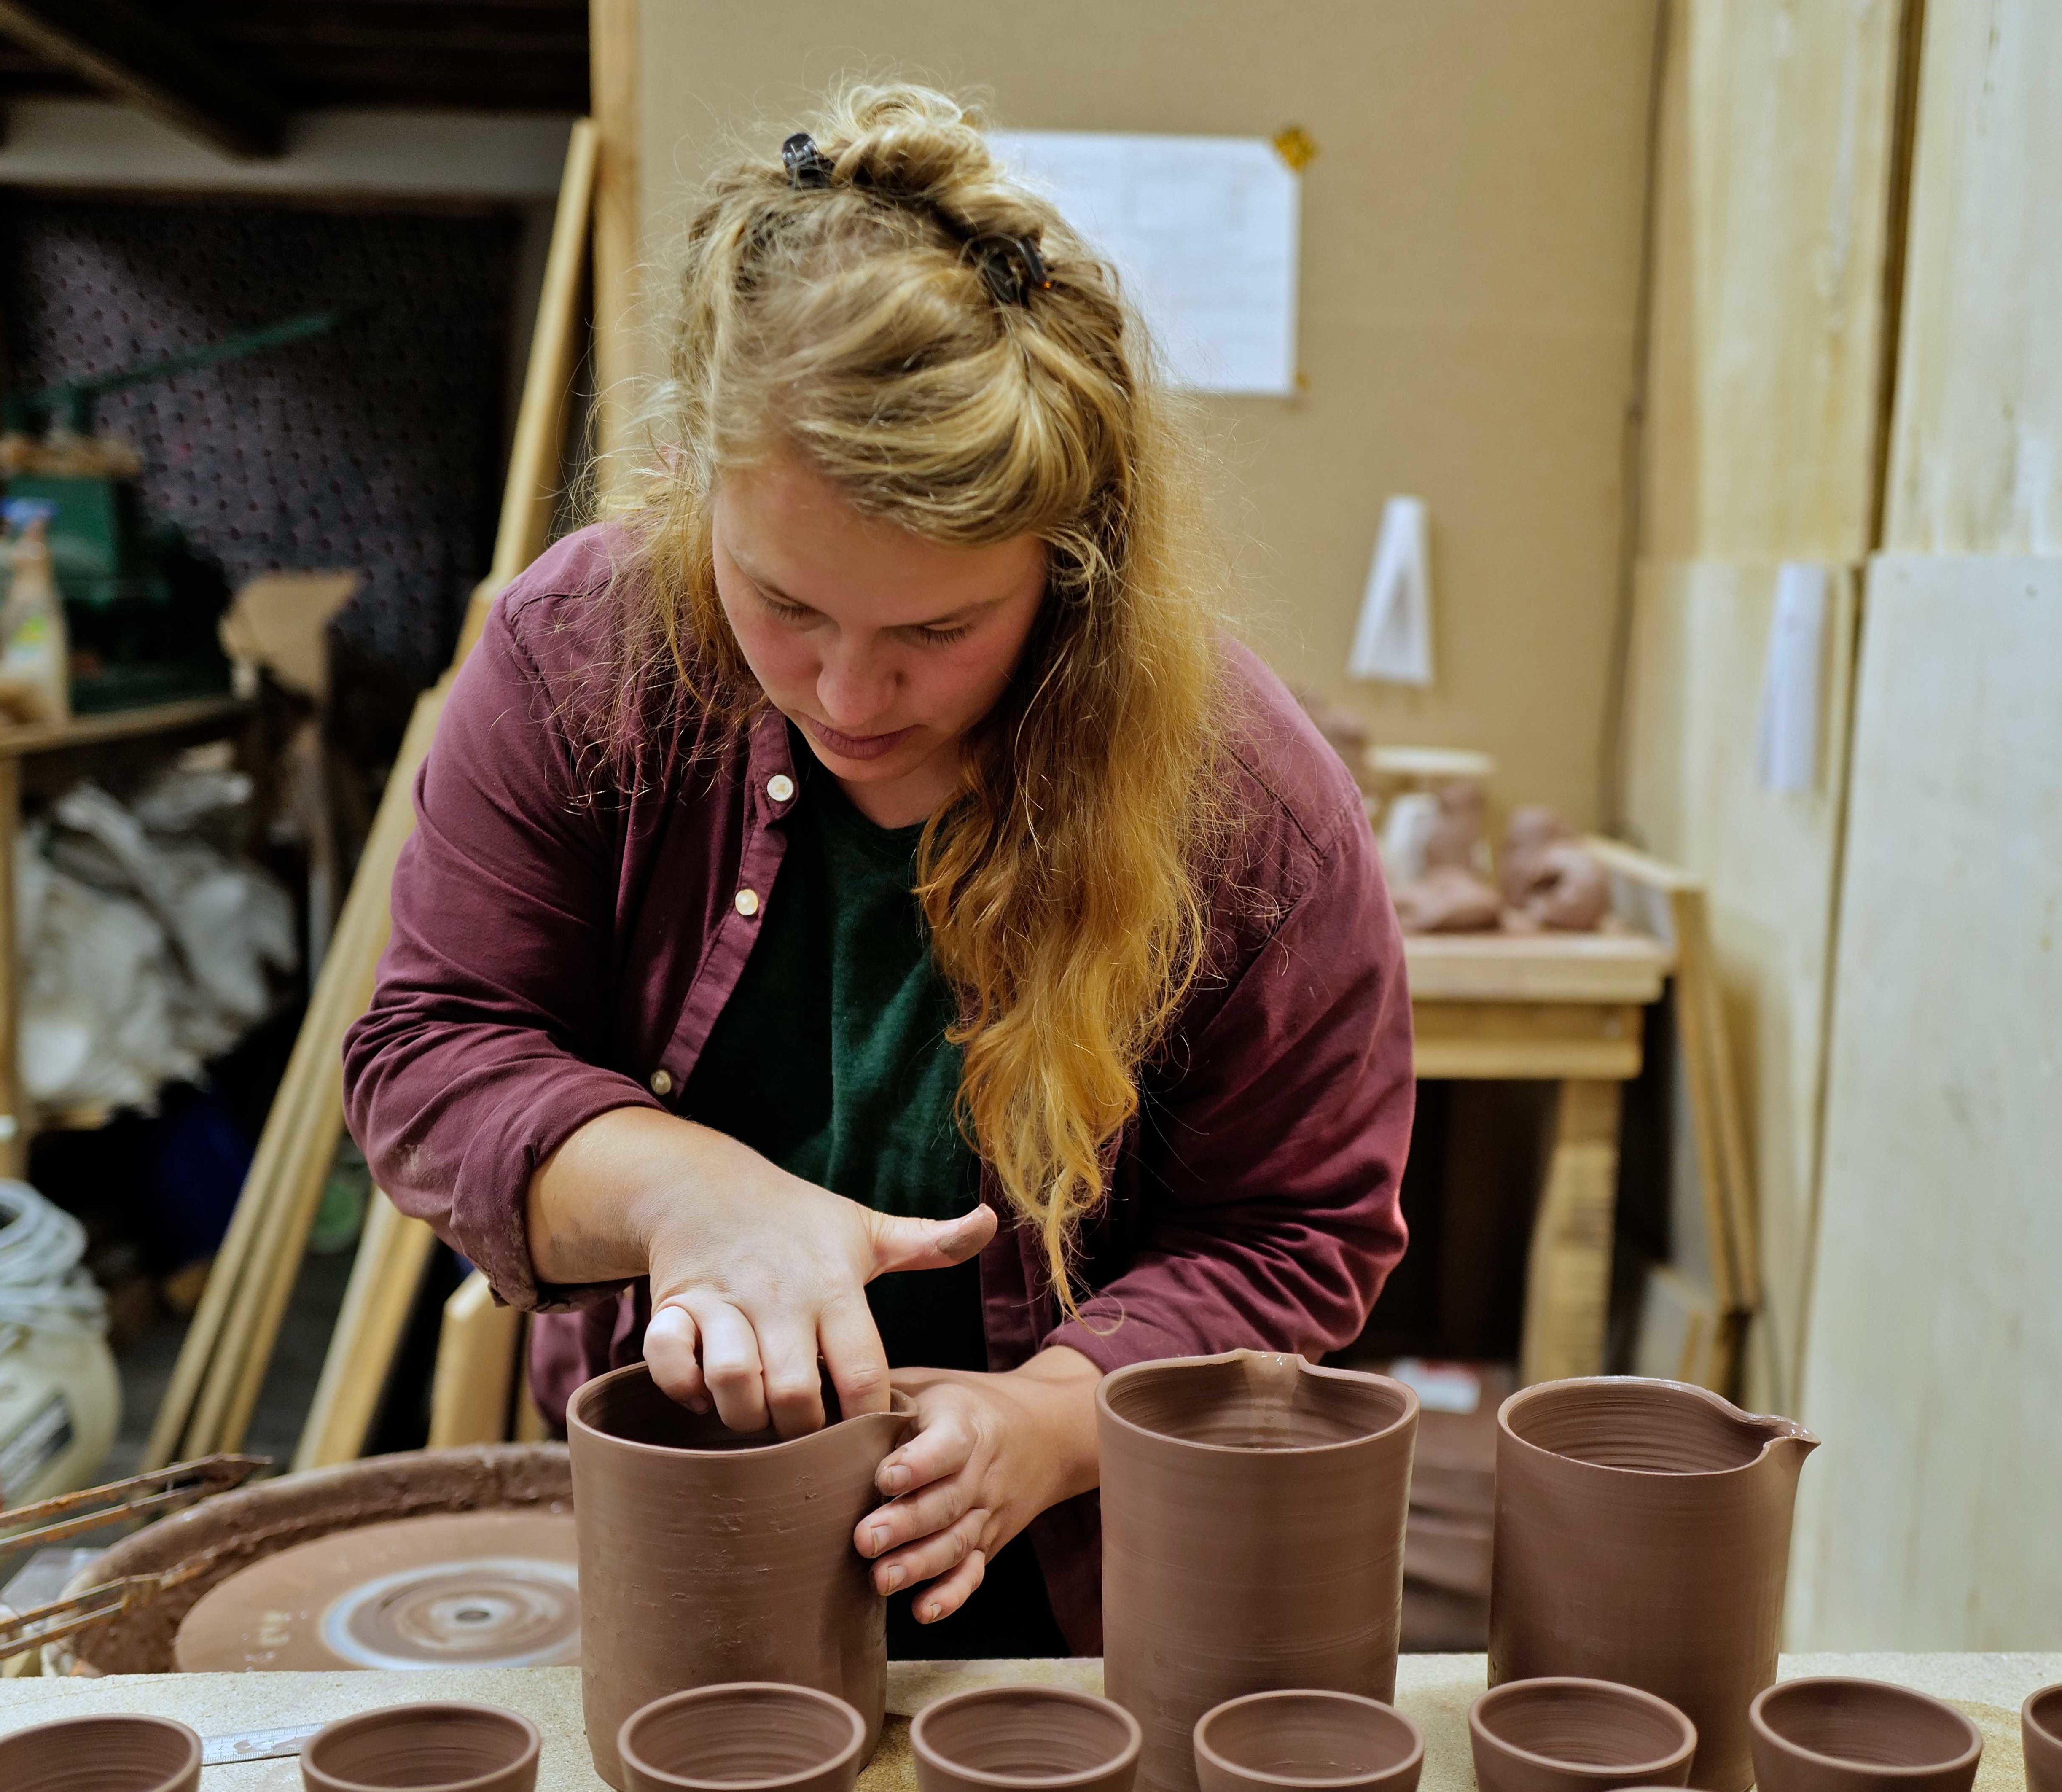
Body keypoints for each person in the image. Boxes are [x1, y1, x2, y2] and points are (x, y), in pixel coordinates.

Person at [344, 84, 1414, 1658]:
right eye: (784, 604)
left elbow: (1299, 1226)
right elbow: (429, 1056)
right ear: (696, 483)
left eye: (935, 633)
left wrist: (1051, 1422)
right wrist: (688, 1193)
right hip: (680, 1500)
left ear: (1071, 562)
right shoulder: (584, 658)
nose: (846, 696)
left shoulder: (1242, 805)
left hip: (1061, 1573)